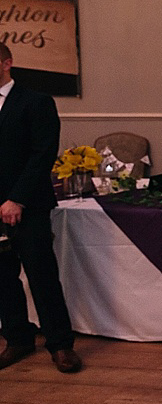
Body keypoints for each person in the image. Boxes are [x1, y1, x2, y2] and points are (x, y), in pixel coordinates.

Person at [0, 42, 82, 373]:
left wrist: (16, 198)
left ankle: (60, 344)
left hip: (29, 205)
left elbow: (42, 154)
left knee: (42, 276)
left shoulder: (36, 102)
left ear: (7, 63)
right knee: (3, 279)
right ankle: (17, 338)